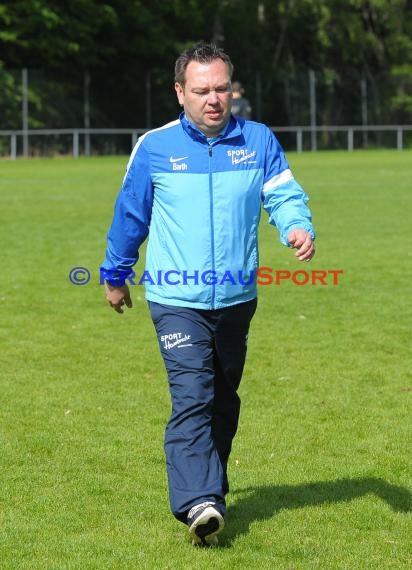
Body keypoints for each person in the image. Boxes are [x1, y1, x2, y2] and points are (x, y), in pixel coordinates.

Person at [101, 42, 315, 547]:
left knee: (222, 400)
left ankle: (208, 500)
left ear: (231, 89)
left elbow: (283, 194)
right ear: (180, 92)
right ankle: (199, 501)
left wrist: (297, 227)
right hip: (176, 298)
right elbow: (132, 215)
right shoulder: (154, 147)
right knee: (192, 396)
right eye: (201, 90)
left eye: (222, 88)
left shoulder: (259, 141)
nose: (213, 99)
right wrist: (115, 274)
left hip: (238, 297)